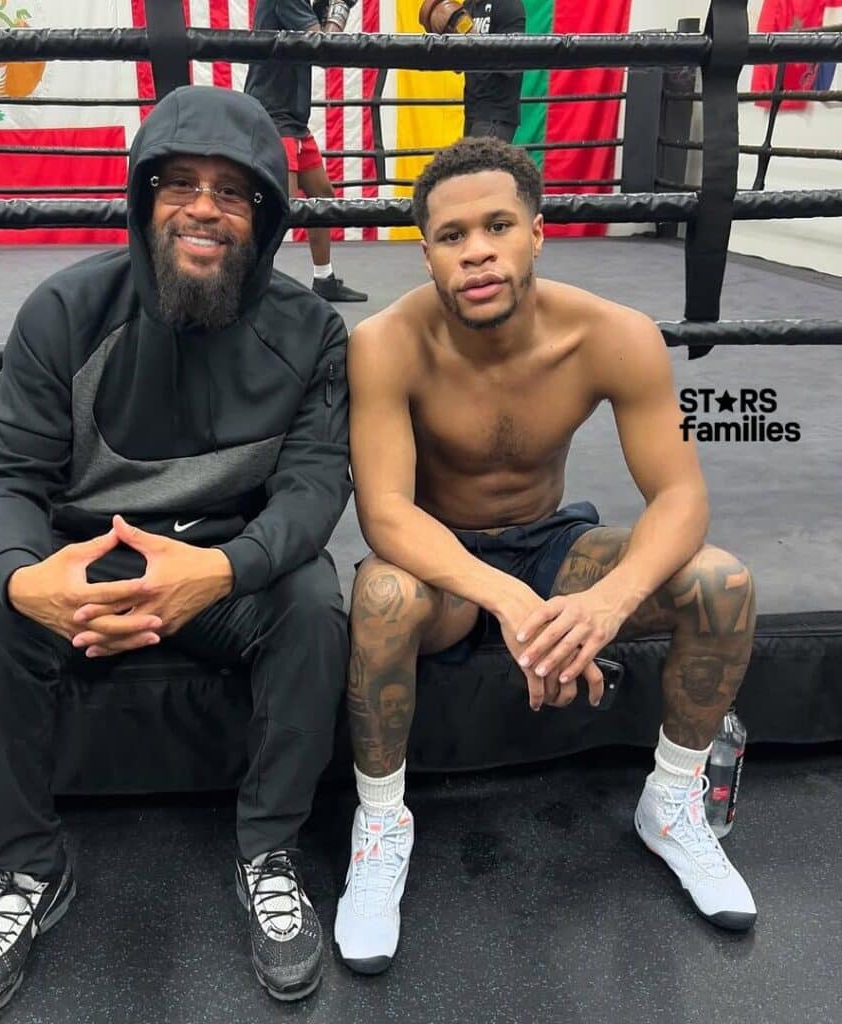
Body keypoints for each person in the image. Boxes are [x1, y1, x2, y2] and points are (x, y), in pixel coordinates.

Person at [0, 85, 351, 1020]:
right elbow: (3, 476)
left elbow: (317, 487)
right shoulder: (66, 311)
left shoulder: (312, 333)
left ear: (267, 216)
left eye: (235, 191)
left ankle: (267, 853)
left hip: (222, 569)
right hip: (88, 564)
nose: (204, 206)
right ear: (143, 196)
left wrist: (225, 567)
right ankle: (30, 872)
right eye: (181, 183)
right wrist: (25, 577)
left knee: (315, 607)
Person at [333, 136, 758, 975]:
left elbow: (681, 496)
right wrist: (503, 597)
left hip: (556, 547)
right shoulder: (384, 342)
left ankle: (672, 802)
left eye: (497, 226)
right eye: (452, 236)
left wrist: (605, 601)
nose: (477, 251)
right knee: (380, 598)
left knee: (721, 581)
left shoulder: (616, 335)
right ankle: (380, 825)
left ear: (537, 231)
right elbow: (383, 512)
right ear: (426, 255)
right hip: (441, 566)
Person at [244, 0, 368, 303]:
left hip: (294, 120)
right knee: (280, 207)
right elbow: (322, 48)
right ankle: (246, 284)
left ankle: (324, 278)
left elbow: (316, 38)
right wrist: (339, 8)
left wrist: (329, 8)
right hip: (273, 116)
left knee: (322, 196)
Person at [418, 0, 527, 141]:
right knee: (470, 162)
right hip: (472, 111)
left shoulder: (507, 4)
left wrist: (472, 35)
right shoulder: (468, 5)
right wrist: (446, 38)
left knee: (482, 162)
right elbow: (459, 66)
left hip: (496, 111)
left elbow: (513, 65)